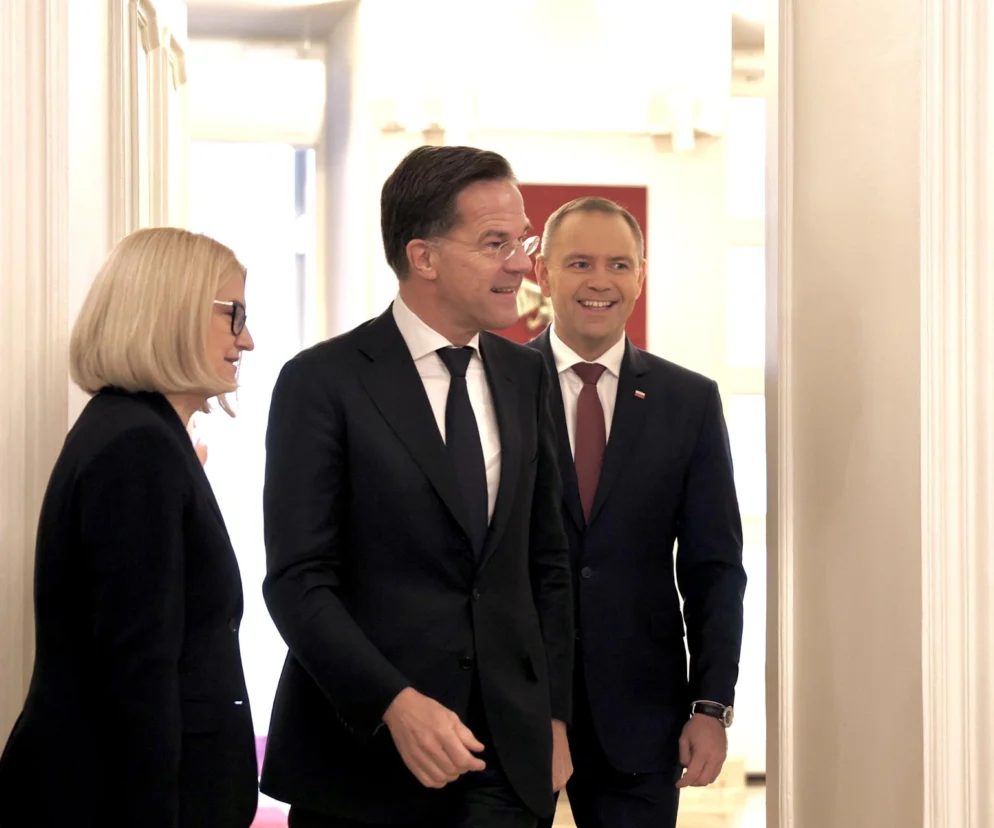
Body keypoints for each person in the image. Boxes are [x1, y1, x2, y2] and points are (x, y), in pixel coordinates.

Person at [260, 145, 574, 828]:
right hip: (363, 760)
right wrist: (393, 703)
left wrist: (554, 717)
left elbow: (546, 560)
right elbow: (298, 581)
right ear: (423, 257)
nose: (521, 264)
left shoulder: (527, 376)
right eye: (495, 243)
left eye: (521, 241)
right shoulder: (323, 382)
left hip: (506, 764)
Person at [0, 227, 259, 827]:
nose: (246, 339)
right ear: (173, 312)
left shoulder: (137, 434)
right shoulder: (137, 445)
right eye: (234, 314)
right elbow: (138, 675)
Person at [530, 197, 746, 828]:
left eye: (619, 264)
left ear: (641, 275)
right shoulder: (498, 385)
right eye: (579, 263)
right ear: (543, 272)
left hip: (642, 714)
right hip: (516, 707)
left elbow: (714, 568)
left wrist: (711, 705)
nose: (600, 281)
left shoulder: (689, 401)